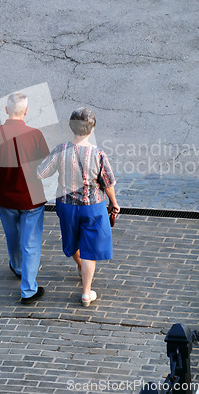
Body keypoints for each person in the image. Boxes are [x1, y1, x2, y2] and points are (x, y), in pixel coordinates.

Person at [37, 107, 120, 307]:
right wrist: (114, 203)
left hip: (66, 205)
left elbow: (41, 173)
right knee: (90, 248)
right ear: (92, 130)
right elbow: (107, 183)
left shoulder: (60, 150)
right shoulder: (98, 154)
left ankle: (81, 266)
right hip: (93, 206)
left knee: (72, 240)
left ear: (71, 127)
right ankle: (85, 293)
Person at [0, 92, 49, 305]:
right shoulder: (35, 134)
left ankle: (18, 267)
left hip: (6, 198)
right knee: (31, 242)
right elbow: (44, 169)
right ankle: (28, 289)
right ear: (26, 111)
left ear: (6, 110)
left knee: (12, 235)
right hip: (31, 198)